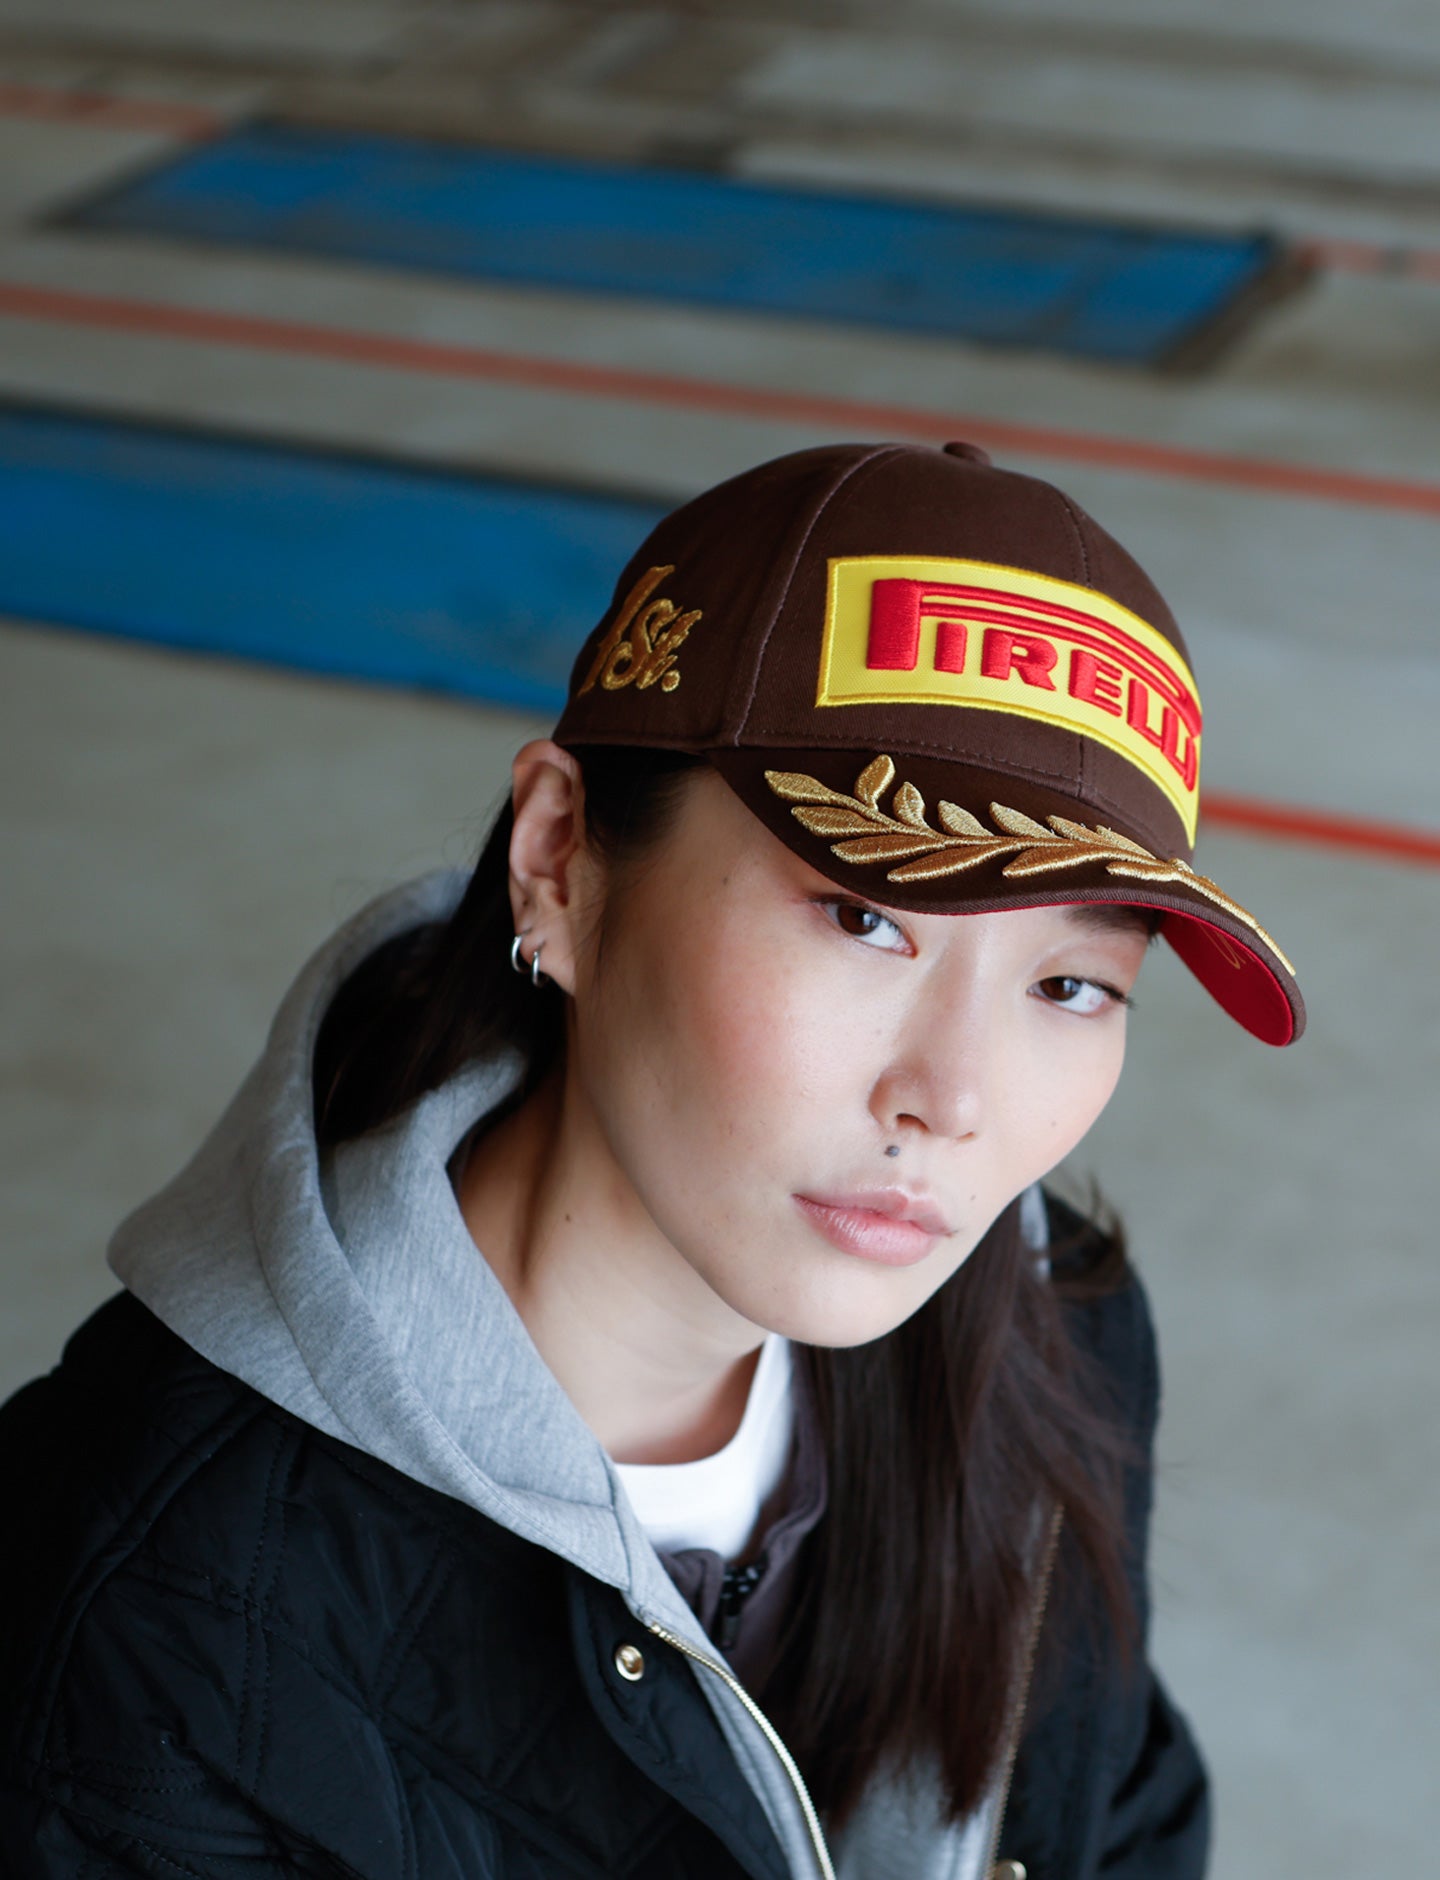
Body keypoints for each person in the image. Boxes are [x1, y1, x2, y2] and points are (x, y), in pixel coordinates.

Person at [0, 441, 1303, 1880]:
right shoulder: (149, 1597)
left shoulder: (1062, 1336)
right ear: (559, 857)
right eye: (865, 919)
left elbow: (1117, 1814)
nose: (953, 1099)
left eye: (1070, 988)